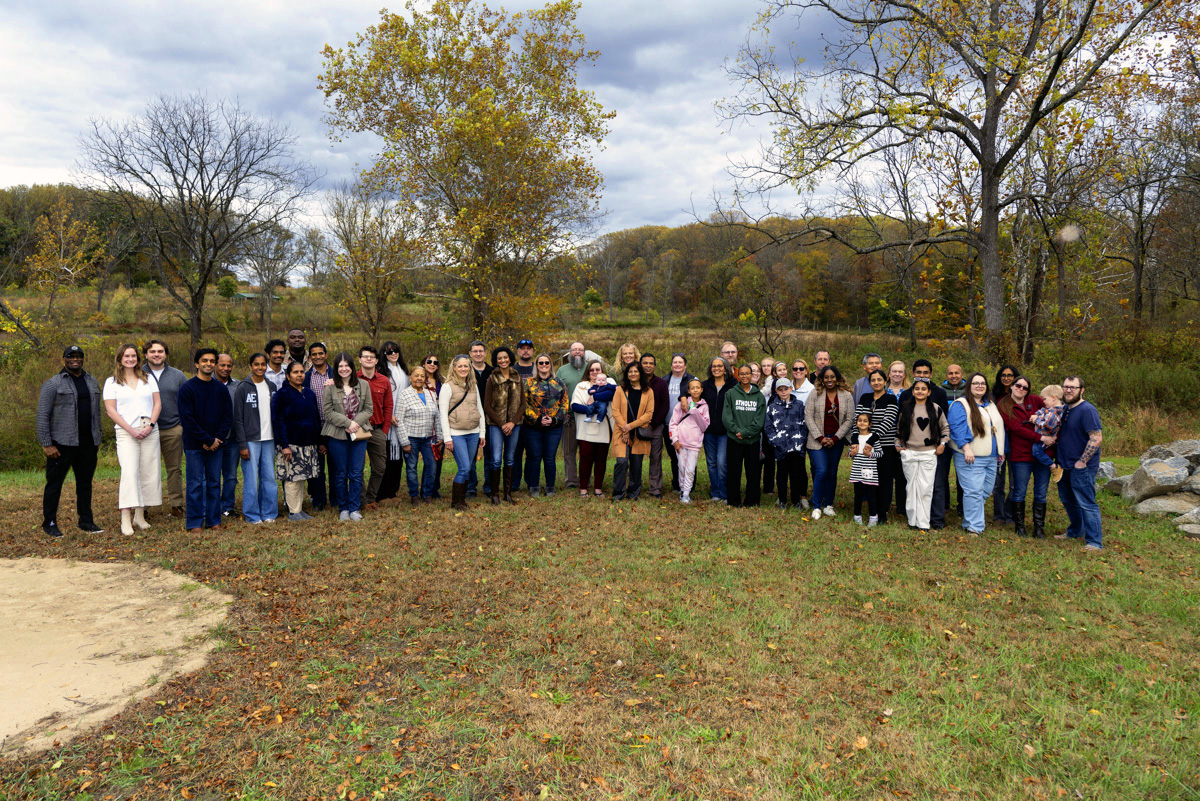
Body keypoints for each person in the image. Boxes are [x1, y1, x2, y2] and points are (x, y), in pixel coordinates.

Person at [38, 345, 104, 538]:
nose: (75, 359)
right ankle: (49, 522)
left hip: (88, 443)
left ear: (83, 359)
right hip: (61, 444)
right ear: (64, 359)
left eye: (78, 356)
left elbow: (97, 412)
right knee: (54, 484)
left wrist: (97, 437)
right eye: (71, 356)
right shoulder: (53, 384)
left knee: (85, 483)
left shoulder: (92, 381)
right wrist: (46, 443)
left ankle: (86, 521)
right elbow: (42, 415)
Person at [104, 343, 162, 535]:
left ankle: (140, 516)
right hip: (126, 432)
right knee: (129, 473)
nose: (130, 359)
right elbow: (111, 410)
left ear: (138, 359)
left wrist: (151, 425)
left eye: (133, 356)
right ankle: (126, 518)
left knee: (147, 472)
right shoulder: (112, 382)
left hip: (149, 430)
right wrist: (130, 429)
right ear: (120, 359)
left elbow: (157, 404)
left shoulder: (148, 378)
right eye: (126, 356)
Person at [177, 348, 234, 533]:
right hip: (194, 444)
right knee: (195, 484)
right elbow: (187, 419)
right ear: (197, 363)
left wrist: (216, 439)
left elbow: (227, 416)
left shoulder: (221, 389)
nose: (208, 364)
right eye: (204, 360)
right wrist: (206, 439)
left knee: (214, 483)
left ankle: (213, 520)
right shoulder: (187, 388)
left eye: (211, 361)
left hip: (216, 445)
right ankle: (194, 522)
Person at [947, 373, 1006, 537]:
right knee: (973, 492)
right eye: (975, 383)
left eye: (982, 383)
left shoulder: (990, 404)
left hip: (992, 457)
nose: (979, 386)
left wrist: (1001, 451)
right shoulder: (961, 404)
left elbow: (998, 428)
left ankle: (970, 521)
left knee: (985, 491)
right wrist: (966, 448)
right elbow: (957, 427)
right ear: (969, 386)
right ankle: (974, 527)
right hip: (970, 456)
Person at [1051, 377, 1104, 551]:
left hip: (1081, 467)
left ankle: (1094, 541)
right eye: (1065, 387)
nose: (1068, 390)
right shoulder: (1066, 409)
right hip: (1064, 465)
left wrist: (1082, 462)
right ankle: (1075, 531)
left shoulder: (1087, 410)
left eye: (1073, 387)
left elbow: (1096, 438)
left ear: (1082, 390)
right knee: (1069, 501)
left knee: (1086, 503)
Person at [322, 352, 372, 521]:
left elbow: (368, 409)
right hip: (337, 435)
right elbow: (327, 411)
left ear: (352, 367)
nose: (344, 369)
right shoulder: (329, 387)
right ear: (336, 369)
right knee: (341, 473)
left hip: (359, 433)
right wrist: (347, 423)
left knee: (356, 473)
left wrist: (355, 423)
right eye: (340, 366)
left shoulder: (363, 385)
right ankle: (343, 508)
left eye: (347, 365)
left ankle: (354, 508)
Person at [895, 377, 950, 531]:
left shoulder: (935, 408)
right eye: (917, 389)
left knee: (926, 488)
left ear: (929, 392)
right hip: (910, 453)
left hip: (929, 453)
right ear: (913, 391)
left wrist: (942, 444)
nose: (920, 391)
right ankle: (912, 521)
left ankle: (923, 523)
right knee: (911, 488)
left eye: (923, 389)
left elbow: (945, 428)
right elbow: (899, 430)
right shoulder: (906, 408)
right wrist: (898, 445)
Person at [998, 375, 1048, 538]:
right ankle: (1019, 526)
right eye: (1018, 385)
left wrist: (1039, 418)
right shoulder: (1004, 404)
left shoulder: (1035, 401)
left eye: (1025, 387)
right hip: (1020, 454)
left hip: (1043, 454)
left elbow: (1052, 413)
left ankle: (1039, 528)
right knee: (1019, 490)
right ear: (1012, 386)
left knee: (1041, 492)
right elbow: (1016, 428)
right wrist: (1040, 437)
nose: (1021, 389)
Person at [273, 362, 323, 521]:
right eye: (295, 372)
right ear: (288, 376)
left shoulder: (309, 393)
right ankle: (293, 512)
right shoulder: (282, 394)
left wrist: (318, 440)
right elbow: (278, 421)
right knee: (292, 479)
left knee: (301, 478)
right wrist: (284, 445)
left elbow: (316, 418)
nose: (299, 375)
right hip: (291, 444)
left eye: (302, 372)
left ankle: (299, 509)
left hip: (308, 443)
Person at [143, 339, 187, 518]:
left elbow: (187, 401)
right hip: (145, 430)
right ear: (146, 355)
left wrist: (181, 425)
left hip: (172, 428)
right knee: (146, 469)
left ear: (166, 354)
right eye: (152, 351)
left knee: (174, 469)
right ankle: (143, 507)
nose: (156, 354)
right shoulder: (138, 374)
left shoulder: (178, 375)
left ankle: (176, 505)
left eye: (160, 351)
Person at [233, 353, 278, 525]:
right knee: (251, 479)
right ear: (250, 366)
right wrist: (242, 444)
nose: (260, 367)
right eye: (256, 364)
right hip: (251, 440)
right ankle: (252, 515)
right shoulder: (243, 387)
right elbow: (238, 418)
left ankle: (269, 513)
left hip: (269, 439)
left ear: (267, 366)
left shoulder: (271, 386)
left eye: (263, 364)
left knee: (269, 478)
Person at [805, 365, 853, 520]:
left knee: (832, 472)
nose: (829, 380)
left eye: (832, 377)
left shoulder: (846, 395)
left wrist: (835, 438)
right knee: (821, 471)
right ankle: (817, 505)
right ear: (822, 379)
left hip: (836, 439)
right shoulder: (815, 393)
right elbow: (808, 416)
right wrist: (820, 437)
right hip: (817, 440)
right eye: (826, 377)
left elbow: (850, 419)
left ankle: (828, 505)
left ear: (837, 378)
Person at [439, 355, 486, 511]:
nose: (463, 369)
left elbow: (479, 409)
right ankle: (456, 502)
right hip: (456, 433)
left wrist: (482, 433)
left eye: (466, 366)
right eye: (460, 366)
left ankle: (462, 499)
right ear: (454, 368)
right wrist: (447, 438)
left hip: (473, 433)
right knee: (464, 467)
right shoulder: (447, 387)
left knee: (469, 466)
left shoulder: (473, 385)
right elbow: (443, 413)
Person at [522, 353, 569, 497]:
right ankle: (534, 486)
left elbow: (565, 403)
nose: (544, 365)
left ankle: (550, 486)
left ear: (550, 365)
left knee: (549, 457)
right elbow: (523, 404)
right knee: (534, 456)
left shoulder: (559, 382)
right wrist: (537, 419)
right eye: (541, 363)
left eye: (546, 363)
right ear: (536, 365)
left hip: (554, 427)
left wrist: (554, 420)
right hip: (533, 426)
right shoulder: (528, 382)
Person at [855, 369, 899, 523]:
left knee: (884, 479)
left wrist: (871, 440)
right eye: (873, 380)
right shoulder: (865, 398)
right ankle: (871, 511)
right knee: (869, 479)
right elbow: (857, 419)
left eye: (879, 379)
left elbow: (888, 422)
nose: (876, 382)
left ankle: (882, 513)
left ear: (885, 381)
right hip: (864, 447)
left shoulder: (891, 399)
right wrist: (855, 441)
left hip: (885, 445)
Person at [394, 366, 442, 505]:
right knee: (411, 468)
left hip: (428, 438)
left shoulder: (430, 393)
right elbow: (398, 420)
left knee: (431, 466)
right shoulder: (405, 394)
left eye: (422, 376)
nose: (419, 378)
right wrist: (404, 442)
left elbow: (437, 416)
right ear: (410, 378)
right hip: (411, 438)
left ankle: (427, 494)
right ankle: (414, 495)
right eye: (416, 375)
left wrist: (439, 436)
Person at [484, 346, 525, 505]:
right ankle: (495, 494)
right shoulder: (492, 378)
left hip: (515, 424)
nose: (503, 360)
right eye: (499, 358)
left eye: (505, 357)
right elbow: (487, 406)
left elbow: (523, 404)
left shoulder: (517, 377)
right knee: (495, 459)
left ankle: (508, 493)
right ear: (496, 360)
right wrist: (502, 424)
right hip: (496, 425)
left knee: (510, 458)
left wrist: (512, 422)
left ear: (510, 358)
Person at [722, 363, 767, 508]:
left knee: (753, 471)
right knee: (734, 471)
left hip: (752, 440)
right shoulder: (731, 394)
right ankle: (734, 501)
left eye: (748, 373)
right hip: (734, 439)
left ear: (752, 375)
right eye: (742, 374)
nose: (745, 376)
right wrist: (736, 431)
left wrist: (746, 432)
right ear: (738, 375)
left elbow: (759, 420)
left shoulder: (759, 396)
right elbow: (727, 416)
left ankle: (752, 501)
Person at [611, 361, 654, 501]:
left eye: (636, 371)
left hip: (639, 433)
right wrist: (625, 428)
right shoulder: (620, 390)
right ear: (627, 374)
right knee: (621, 462)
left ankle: (633, 493)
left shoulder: (648, 391)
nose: (633, 374)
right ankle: (618, 493)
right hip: (621, 432)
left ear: (640, 373)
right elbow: (615, 411)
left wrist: (631, 426)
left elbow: (649, 414)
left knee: (636, 464)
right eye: (630, 371)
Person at [571, 360, 615, 498]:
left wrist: (594, 397)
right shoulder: (581, 386)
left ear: (602, 371)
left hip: (603, 427)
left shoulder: (609, 383)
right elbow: (575, 406)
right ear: (588, 372)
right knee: (585, 459)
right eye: (592, 370)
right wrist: (593, 409)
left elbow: (611, 395)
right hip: (586, 427)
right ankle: (583, 488)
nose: (595, 372)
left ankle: (598, 489)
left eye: (598, 369)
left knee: (601, 459)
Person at [358, 346, 393, 511]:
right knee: (357, 468)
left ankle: (370, 498)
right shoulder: (352, 378)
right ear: (359, 359)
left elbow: (388, 406)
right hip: (359, 429)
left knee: (380, 468)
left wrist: (385, 430)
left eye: (372, 357)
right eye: (365, 356)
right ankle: (361, 500)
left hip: (377, 429)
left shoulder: (384, 381)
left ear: (377, 360)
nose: (368, 359)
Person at [764, 377, 808, 510]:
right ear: (776, 391)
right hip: (780, 448)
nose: (783, 392)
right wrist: (776, 442)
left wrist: (800, 441)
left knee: (796, 475)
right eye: (780, 390)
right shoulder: (772, 407)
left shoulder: (799, 405)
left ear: (791, 389)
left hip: (796, 447)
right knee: (781, 475)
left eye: (786, 389)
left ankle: (796, 501)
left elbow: (805, 424)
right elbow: (768, 427)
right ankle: (782, 499)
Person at [377, 340, 411, 504]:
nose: (393, 354)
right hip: (387, 420)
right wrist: (388, 414)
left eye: (395, 350)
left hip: (402, 418)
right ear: (383, 354)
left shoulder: (403, 370)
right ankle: (382, 494)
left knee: (398, 459)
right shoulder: (381, 371)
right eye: (389, 351)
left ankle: (393, 491)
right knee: (386, 459)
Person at [305, 342, 335, 511]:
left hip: (336, 427)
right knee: (316, 468)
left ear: (326, 354)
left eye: (320, 353)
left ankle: (336, 499)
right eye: (314, 354)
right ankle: (319, 500)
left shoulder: (336, 373)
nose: (317, 357)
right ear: (310, 357)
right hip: (314, 428)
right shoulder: (306, 377)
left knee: (335, 466)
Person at [669, 378, 709, 504]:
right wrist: (675, 440)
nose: (695, 390)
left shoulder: (704, 406)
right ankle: (682, 490)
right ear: (688, 391)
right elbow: (673, 423)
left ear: (701, 390)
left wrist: (695, 412)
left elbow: (704, 427)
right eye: (692, 388)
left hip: (694, 443)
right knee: (682, 467)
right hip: (681, 442)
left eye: (698, 388)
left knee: (690, 469)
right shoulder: (681, 405)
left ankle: (686, 494)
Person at [938, 363, 968, 522]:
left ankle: (962, 506)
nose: (954, 376)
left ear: (962, 374)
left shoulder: (968, 390)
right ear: (946, 375)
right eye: (950, 373)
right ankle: (944, 504)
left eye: (957, 373)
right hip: (944, 436)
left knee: (962, 474)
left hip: (962, 438)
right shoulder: (940, 391)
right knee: (942, 472)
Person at [663, 354, 696, 493]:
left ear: (685, 365)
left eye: (680, 362)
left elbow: (697, 398)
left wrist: (684, 397)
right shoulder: (665, 380)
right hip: (668, 424)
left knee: (688, 457)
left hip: (686, 426)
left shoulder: (692, 380)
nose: (677, 364)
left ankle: (689, 485)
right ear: (671, 365)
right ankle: (677, 484)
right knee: (674, 456)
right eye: (675, 362)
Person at [990, 364, 1019, 525]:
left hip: (1016, 442)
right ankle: (999, 514)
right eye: (1004, 375)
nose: (1006, 378)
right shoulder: (993, 396)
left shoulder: (1020, 395)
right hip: (998, 442)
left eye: (1010, 375)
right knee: (998, 482)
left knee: (1015, 482)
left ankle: (1009, 513)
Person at [556, 342, 587, 492]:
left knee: (586, 451)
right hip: (569, 417)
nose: (578, 352)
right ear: (570, 352)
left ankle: (585, 479)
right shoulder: (562, 370)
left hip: (587, 417)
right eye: (575, 350)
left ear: (584, 352)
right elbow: (556, 392)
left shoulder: (591, 368)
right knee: (569, 451)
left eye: (581, 349)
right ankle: (571, 480)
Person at [700, 357, 732, 503]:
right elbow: (691, 394)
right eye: (714, 366)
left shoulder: (733, 385)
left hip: (725, 431)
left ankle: (724, 493)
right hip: (708, 431)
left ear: (725, 368)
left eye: (720, 366)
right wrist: (683, 397)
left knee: (722, 462)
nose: (716, 368)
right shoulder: (705, 385)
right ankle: (715, 493)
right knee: (711, 463)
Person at [640, 353, 671, 499]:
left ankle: (655, 488)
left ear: (654, 366)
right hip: (637, 425)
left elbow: (665, 406)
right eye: (645, 363)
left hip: (655, 426)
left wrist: (653, 424)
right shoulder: (635, 381)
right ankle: (634, 485)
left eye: (651, 363)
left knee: (655, 457)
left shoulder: (661, 383)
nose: (648, 365)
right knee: (636, 458)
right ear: (640, 365)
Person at [215, 353, 241, 518]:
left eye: (229, 365)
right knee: (212, 475)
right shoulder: (208, 382)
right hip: (213, 439)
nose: (226, 368)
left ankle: (227, 506)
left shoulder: (237, 385)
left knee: (231, 476)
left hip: (233, 438)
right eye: (222, 365)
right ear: (215, 365)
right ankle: (212, 506)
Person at [849, 412, 884, 525]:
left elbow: (880, 453)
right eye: (860, 420)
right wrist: (852, 453)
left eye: (865, 421)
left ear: (870, 424)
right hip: (857, 470)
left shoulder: (873, 438)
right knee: (858, 494)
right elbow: (850, 453)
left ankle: (873, 517)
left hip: (870, 471)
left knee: (871, 494)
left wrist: (870, 454)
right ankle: (857, 516)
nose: (862, 423)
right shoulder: (855, 438)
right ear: (856, 423)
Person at [468, 340, 493, 498]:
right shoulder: (464, 370)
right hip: (470, 419)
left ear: (485, 353)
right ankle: (471, 487)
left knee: (490, 455)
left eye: (480, 351)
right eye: (475, 351)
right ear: (470, 353)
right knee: (470, 456)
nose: (478, 354)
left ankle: (489, 486)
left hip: (490, 419)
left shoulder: (493, 371)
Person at [761, 361, 790, 494]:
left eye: (784, 369)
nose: (782, 372)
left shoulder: (789, 385)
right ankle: (768, 487)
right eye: (779, 370)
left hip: (786, 427)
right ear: (774, 373)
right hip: (771, 426)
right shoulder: (771, 386)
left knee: (783, 459)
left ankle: (782, 487)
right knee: (769, 458)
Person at [421, 352, 445, 498]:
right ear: (423, 364)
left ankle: (435, 488)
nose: (432, 364)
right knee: (430, 460)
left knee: (438, 457)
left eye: (435, 362)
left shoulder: (442, 381)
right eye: (429, 361)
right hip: (426, 423)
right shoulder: (419, 380)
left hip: (441, 423)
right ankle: (426, 490)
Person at [1031, 385, 1065, 483]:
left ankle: (1054, 467)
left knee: (1036, 451)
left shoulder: (1053, 413)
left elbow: (1047, 425)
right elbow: (1043, 411)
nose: (1043, 401)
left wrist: (1035, 420)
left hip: (1047, 436)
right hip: (1048, 436)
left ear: (1053, 398)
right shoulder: (1053, 408)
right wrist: (1037, 414)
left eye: (1045, 399)